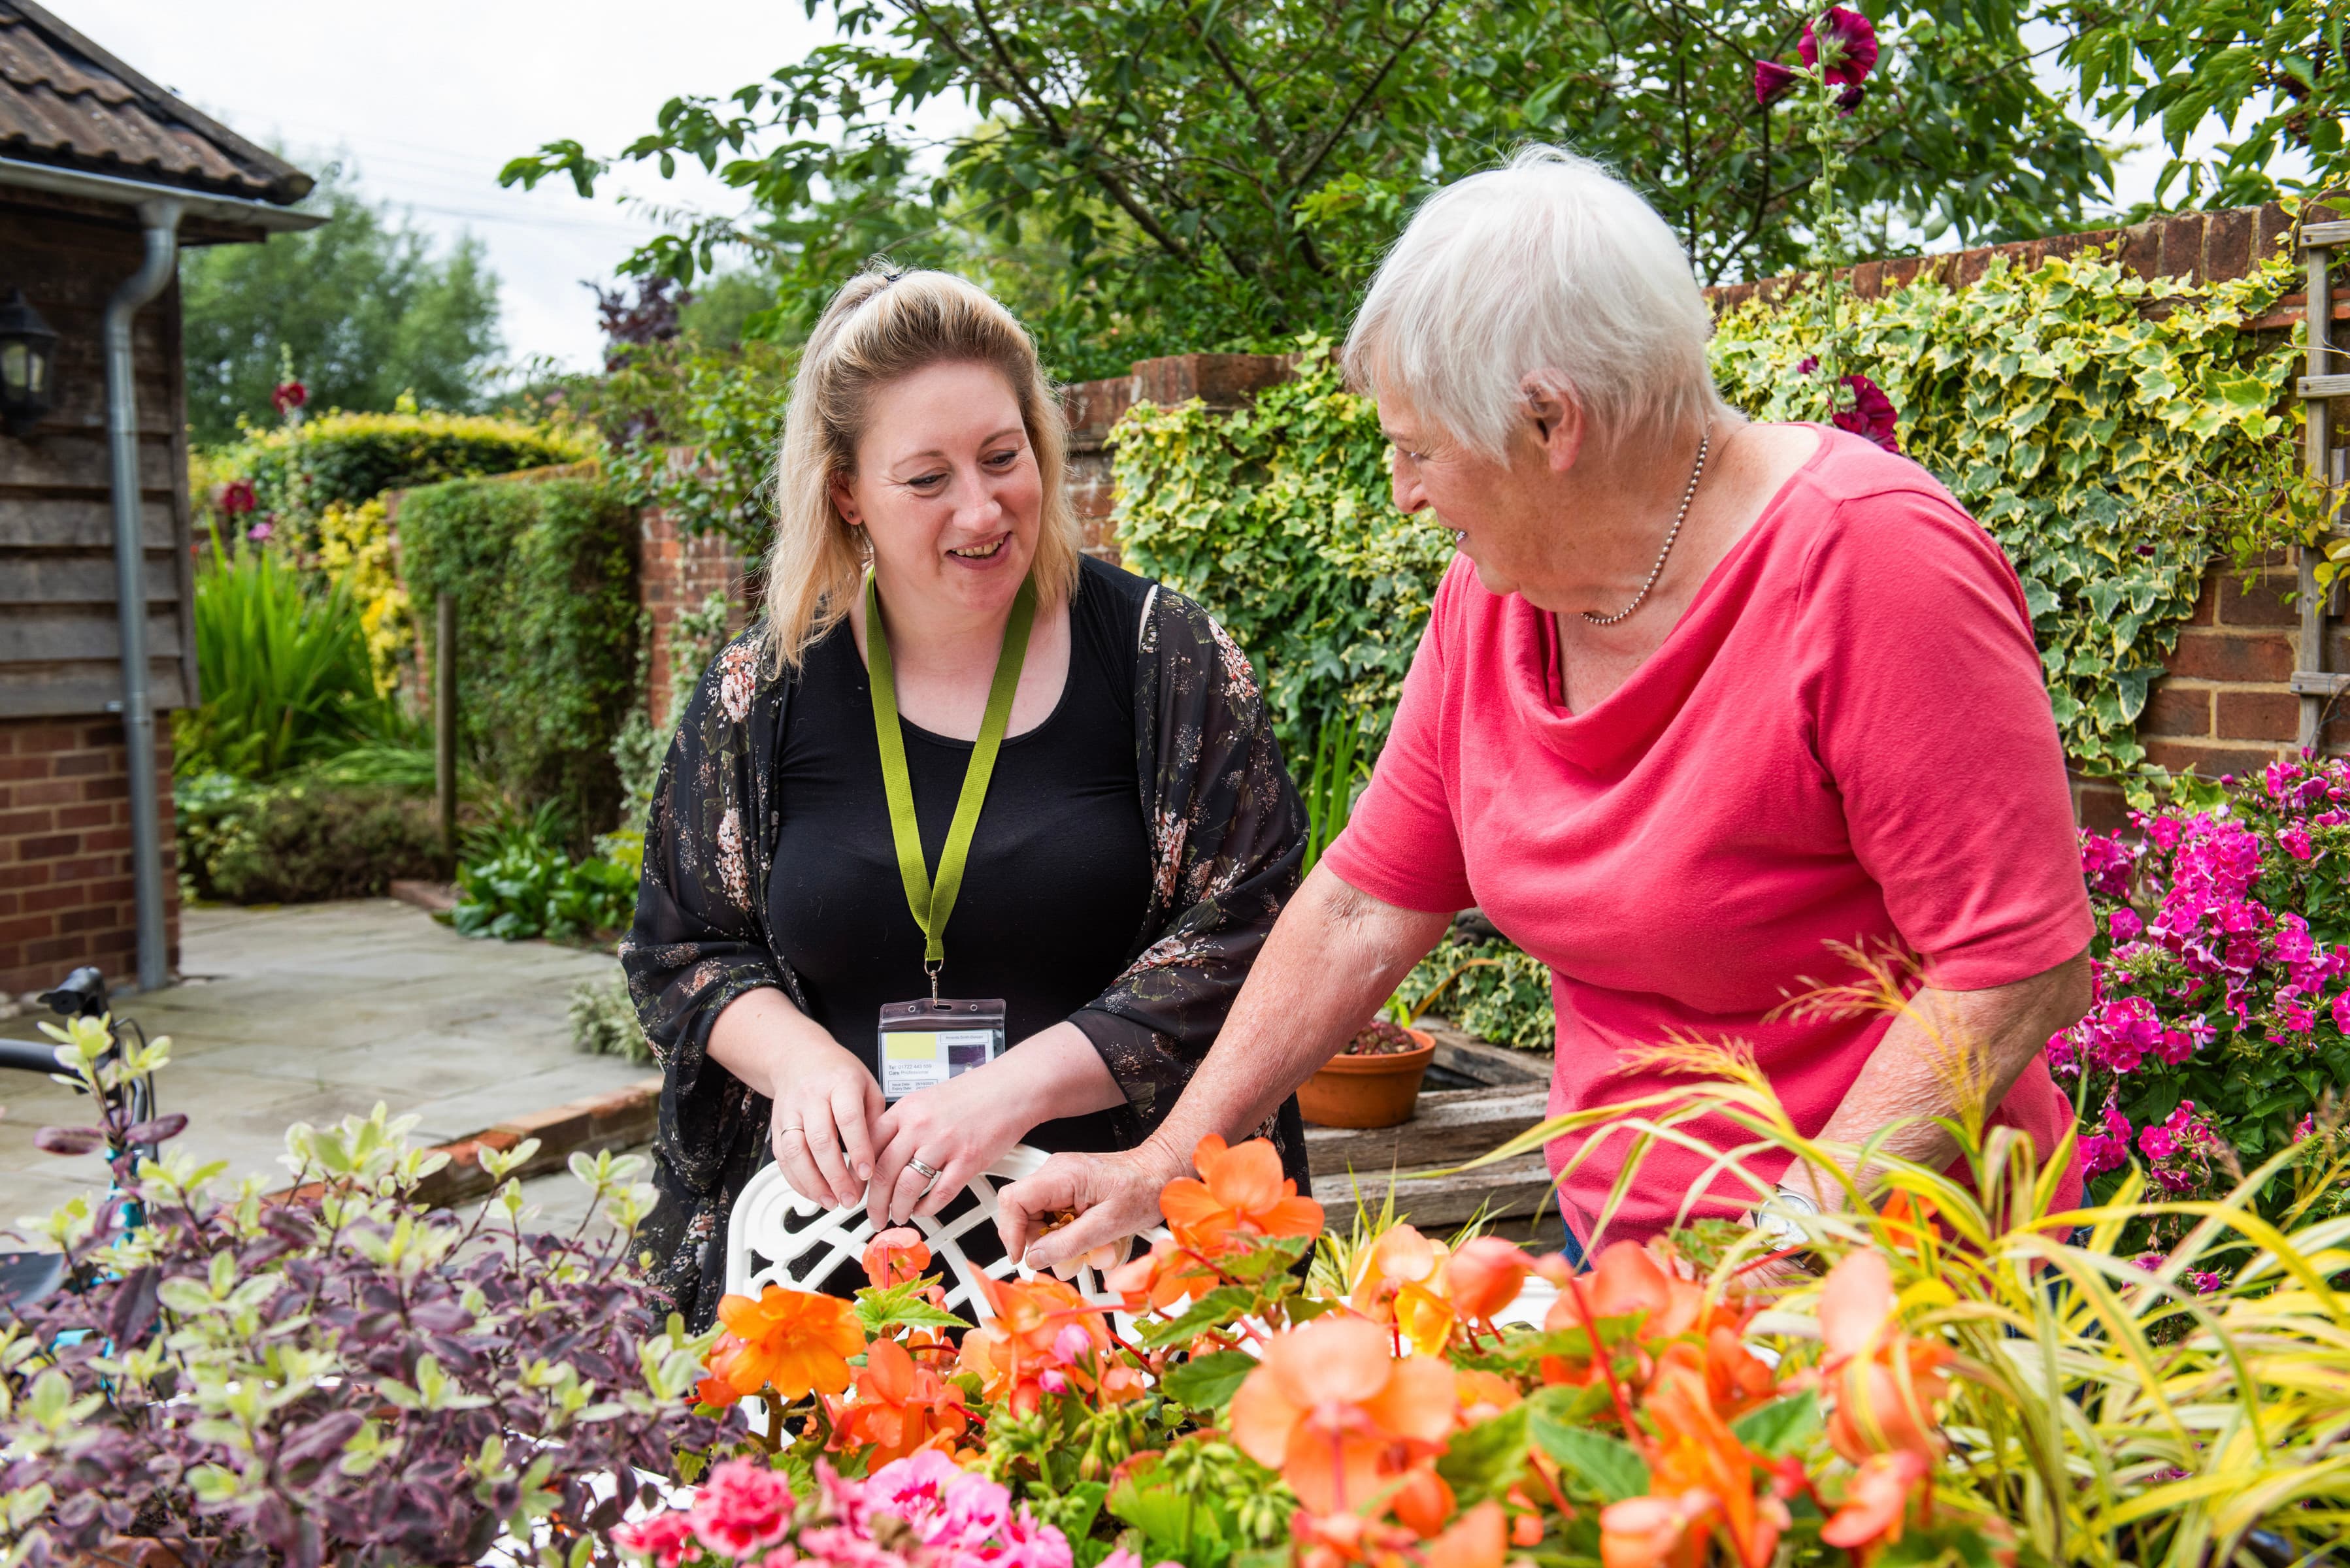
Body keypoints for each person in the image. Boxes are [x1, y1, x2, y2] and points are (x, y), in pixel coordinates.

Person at [1000, 146, 2094, 1273]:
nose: (1404, 493)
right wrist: (1170, 1155)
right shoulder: (1497, 597)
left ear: (1550, 424)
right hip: (1621, 1252)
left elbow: (2012, 970)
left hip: (1891, 1276)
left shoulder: (1870, 563)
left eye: (1419, 448)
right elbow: (1363, 909)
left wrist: (1782, 1262)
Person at [623, 267, 1310, 1326]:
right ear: (846, 490)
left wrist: (1013, 1090)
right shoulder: (756, 698)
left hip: (1117, 1255)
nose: (983, 511)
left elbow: (1252, 936)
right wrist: (798, 1061)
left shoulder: (1165, 660)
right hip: (833, 1275)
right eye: (926, 478)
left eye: (1003, 457)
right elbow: (682, 948)